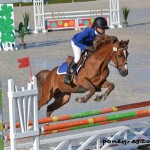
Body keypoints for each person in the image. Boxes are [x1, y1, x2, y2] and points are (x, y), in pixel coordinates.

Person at [63, 17, 109, 84]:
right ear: (96, 27)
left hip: (85, 43)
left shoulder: (98, 33)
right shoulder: (88, 31)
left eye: (104, 28)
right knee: (77, 58)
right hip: (76, 42)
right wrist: (86, 47)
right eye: (102, 28)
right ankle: (67, 76)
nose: (103, 30)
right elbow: (77, 42)